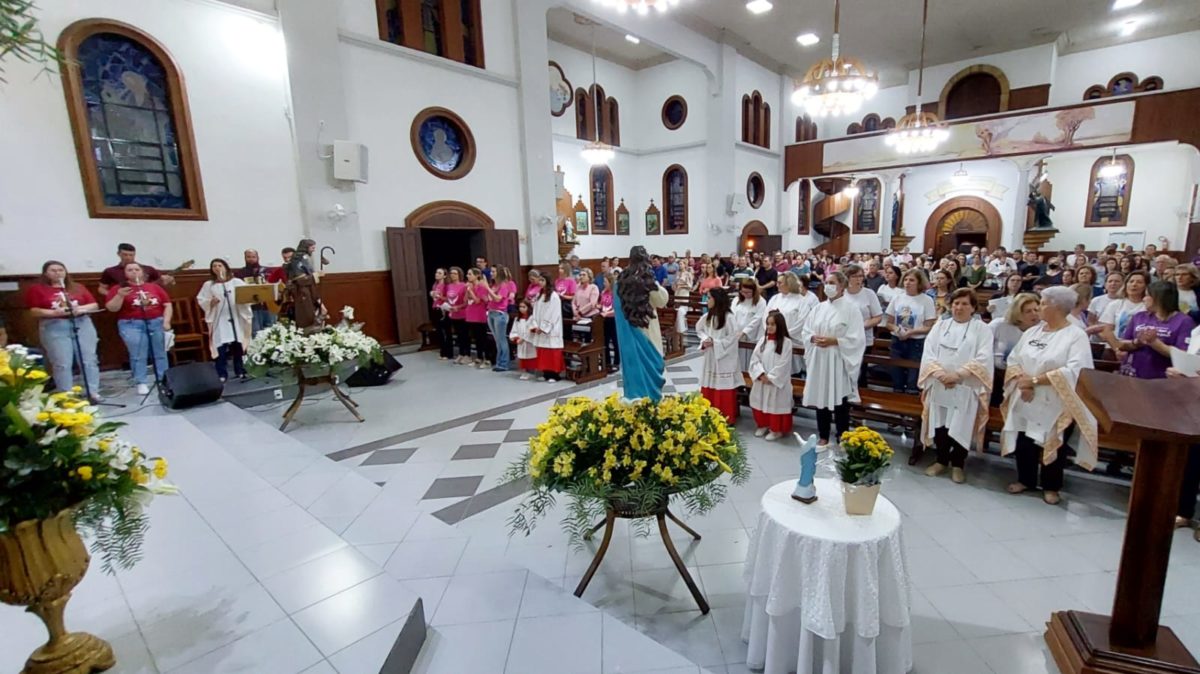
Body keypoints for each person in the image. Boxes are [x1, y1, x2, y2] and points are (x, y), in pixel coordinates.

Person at [1001, 286, 1098, 506]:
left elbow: (1075, 370)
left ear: (1056, 306)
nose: (1038, 309)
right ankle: (1025, 479)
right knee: (1025, 439)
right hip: (1026, 395)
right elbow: (1015, 359)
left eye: (1043, 303)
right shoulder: (1033, 332)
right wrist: (1023, 383)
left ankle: (1051, 486)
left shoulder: (1075, 336)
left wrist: (1035, 381)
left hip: (1056, 400)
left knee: (1054, 442)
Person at [918, 289, 994, 483]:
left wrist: (958, 375)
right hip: (940, 383)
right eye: (956, 303)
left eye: (964, 304)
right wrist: (940, 374)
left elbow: (983, 357)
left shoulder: (982, 329)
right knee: (941, 423)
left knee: (961, 424)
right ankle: (941, 460)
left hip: (965, 385)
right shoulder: (941, 326)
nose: (959, 308)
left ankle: (958, 464)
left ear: (973, 308)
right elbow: (929, 352)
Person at [802, 272, 865, 450]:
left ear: (842, 286)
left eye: (832, 282)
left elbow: (857, 338)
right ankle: (823, 435)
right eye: (826, 282)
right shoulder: (819, 308)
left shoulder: (851, 309)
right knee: (821, 395)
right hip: (820, 358)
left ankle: (842, 435)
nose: (828, 285)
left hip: (838, 359)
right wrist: (813, 338)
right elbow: (806, 330)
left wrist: (835, 341)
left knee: (839, 398)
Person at [26, 260, 102, 401]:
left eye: (61, 270)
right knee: (62, 362)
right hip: (54, 325)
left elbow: (94, 304)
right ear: (45, 273)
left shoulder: (77, 287)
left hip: (81, 323)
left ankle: (93, 392)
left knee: (89, 360)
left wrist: (80, 309)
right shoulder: (37, 289)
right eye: (53, 270)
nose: (57, 273)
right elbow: (34, 311)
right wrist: (54, 313)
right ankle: (66, 396)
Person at [1100, 281, 1195, 380]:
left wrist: (1155, 343)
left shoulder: (1184, 321)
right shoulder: (1139, 316)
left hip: (1160, 379)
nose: (1143, 299)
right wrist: (1136, 342)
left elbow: (1183, 355)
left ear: (1158, 298)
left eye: (1146, 295)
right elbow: (1123, 344)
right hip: (1132, 375)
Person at [105, 262, 172, 396]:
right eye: (130, 270)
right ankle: (141, 382)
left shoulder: (154, 287)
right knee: (138, 354)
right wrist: (120, 295)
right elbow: (112, 308)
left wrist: (166, 321)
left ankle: (164, 379)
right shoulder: (118, 289)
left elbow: (167, 304)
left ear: (142, 272)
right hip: (131, 324)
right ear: (125, 273)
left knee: (160, 353)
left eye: (137, 269)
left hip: (156, 322)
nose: (134, 272)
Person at [614, 246, 671, 400]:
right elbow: (662, 300)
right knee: (652, 365)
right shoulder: (647, 280)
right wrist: (654, 283)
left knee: (633, 367)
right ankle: (651, 400)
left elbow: (617, 308)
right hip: (647, 330)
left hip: (628, 334)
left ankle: (634, 398)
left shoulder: (620, 281)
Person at [883, 268, 937, 395]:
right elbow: (889, 322)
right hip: (897, 341)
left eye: (912, 280)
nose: (907, 282)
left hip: (916, 343)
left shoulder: (926, 300)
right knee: (897, 375)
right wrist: (897, 329)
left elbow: (928, 326)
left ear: (919, 283)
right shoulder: (897, 298)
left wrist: (910, 332)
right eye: (906, 279)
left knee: (913, 377)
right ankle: (897, 399)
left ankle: (910, 397)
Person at [196, 259, 252, 382]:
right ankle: (221, 373)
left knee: (238, 344)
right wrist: (210, 302)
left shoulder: (236, 282)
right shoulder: (209, 285)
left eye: (219, 265)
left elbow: (248, 294)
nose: (217, 268)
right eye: (214, 266)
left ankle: (240, 370)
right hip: (219, 318)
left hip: (236, 316)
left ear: (225, 267)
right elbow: (201, 299)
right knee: (220, 346)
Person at [1169, 323, 1200, 531]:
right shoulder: (1198, 331)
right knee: (1191, 460)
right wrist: (1180, 374)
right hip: (1194, 403)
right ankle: (1184, 511)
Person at [750, 310, 795, 441]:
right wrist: (761, 374)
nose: (769, 327)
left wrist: (771, 377)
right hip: (762, 379)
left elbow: (784, 364)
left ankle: (776, 430)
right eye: (768, 324)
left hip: (776, 381)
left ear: (779, 326)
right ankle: (763, 424)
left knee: (775, 403)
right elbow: (754, 359)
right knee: (761, 401)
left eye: (773, 324)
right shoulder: (762, 340)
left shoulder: (786, 343)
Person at [989, 292, 1040, 407]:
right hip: (997, 375)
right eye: (1028, 311)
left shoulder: (1042, 328)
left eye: (1036, 310)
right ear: (1017, 313)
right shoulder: (999, 325)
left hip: (1026, 379)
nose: (1034, 314)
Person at [698, 288, 740, 423]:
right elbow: (699, 329)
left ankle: (724, 418)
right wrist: (705, 339)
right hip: (711, 356)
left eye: (709, 298)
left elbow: (732, 338)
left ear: (717, 299)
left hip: (724, 358)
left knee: (722, 386)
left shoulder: (729, 317)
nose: (707, 300)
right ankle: (708, 415)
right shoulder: (708, 316)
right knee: (709, 384)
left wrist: (715, 342)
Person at [842, 264, 883, 367]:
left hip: (863, 338)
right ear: (847, 278)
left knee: (861, 370)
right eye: (854, 276)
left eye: (860, 276)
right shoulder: (842, 294)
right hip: (844, 337)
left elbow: (878, 317)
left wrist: (861, 326)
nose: (858, 279)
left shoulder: (869, 294)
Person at [98, 243, 170, 296]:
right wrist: (115, 295)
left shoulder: (148, 269)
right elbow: (101, 289)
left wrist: (166, 280)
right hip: (123, 301)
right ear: (118, 254)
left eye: (131, 255)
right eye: (125, 254)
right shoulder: (110, 271)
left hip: (146, 299)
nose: (128, 257)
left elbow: (161, 282)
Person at [528, 278, 565, 382]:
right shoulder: (539, 295)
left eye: (542, 280)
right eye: (539, 280)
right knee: (543, 352)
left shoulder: (554, 296)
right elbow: (535, 311)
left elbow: (553, 313)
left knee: (552, 352)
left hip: (551, 329)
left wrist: (544, 327)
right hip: (539, 327)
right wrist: (535, 325)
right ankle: (545, 373)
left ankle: (554, 375)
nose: (540, 282)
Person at [233, 249, 277, 335]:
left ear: (258, 258)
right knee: (255, 332)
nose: (251, 259)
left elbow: (273, 286)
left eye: (253, 257)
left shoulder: (267, 271)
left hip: (267, 305)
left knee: (272, 330)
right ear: (245, 258)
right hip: (251, 308)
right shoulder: (239, 273)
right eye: (248, 257)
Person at [1098, 270, 1149, 343]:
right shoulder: (1115, 304)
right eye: (1131, 281)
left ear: (1146, 286)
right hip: (1116, 347)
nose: (1134, 284)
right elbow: (1105, 330)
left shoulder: (1148, 306)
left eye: (1139, 282)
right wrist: (1117, 346)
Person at [487, 266, 517, 372]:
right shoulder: (494, 285)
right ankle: (499, 361)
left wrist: (487, 288)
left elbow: (498, 298)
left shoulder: (503, 285)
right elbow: (489, 298)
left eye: (493, 271)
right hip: (491, 312)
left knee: (501, 339)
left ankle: (504, 363)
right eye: (491, 271)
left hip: (500, 313)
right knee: (497, 340)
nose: (491, 273)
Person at [733, 278, 767, 372]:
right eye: (743, 292)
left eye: (748, 292)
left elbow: (757, 319)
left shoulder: (761, 302)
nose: (745, 294)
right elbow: (731, 316)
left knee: (749, 361)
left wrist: (744, 332)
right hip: (736, 334)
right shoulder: (736, 300)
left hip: (751, 336)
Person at [464, 268, 492, 369]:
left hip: (479, 315)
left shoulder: (481, 287)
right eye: (467, 274)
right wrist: (467, 290)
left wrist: (470, 290)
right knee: (475, 338)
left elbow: (477, 300)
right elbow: (465, 300)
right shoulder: (470, 286)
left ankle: (487, 358)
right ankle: (479, 357)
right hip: (470, 314)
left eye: (470, 274)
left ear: (477, 275)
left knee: (482, 338)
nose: (468, 276)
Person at [444, 267, 470, 364]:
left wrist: (458, 307)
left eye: (455, 273)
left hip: (463, 314)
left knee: (464, 335)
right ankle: (461, 353)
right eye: (451, 273)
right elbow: (448, 298)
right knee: (458, 335)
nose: (453, 275)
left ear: (459, 274)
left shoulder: (463, 286)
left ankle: (467, 355)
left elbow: (466, 302)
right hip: (453, 314)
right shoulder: (449, 286)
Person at [429, 268, 455, 361]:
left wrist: (440, 297)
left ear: (444, 275)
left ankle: (449, 353)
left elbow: (448, 298)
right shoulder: (435, 284)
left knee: (446, 332)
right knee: (439, 331)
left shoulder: (446, 286)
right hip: (436, 308)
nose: (437, 274)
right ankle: (442, 351)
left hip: (443, 309)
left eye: (439, 273)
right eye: (436, 272)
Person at [510, 299, 538, 380]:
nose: (521, 309)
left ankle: (531, 372)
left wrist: (524, 338)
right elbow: (514, 331)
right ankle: (524, 371)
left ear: (528, 308)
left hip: (529, 342)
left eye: (524, 307)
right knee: (522, 357)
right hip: (521, 342)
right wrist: (517, 338)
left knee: (531, 357)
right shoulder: (517, 319)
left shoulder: (532, 318)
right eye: (520, 307)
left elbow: (533, 330)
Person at [599, 272, 619, 372]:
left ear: (610, 282)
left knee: (615, 341)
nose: (603, 283)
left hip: (613, 319)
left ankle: (616, 362)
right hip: (604, 319)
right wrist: (598, 307)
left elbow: (617, 308)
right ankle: (607, 362)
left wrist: (608, 313)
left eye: (605, 281)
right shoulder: (603, 292)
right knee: (605, 341)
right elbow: (602, 304)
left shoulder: (616, 293)